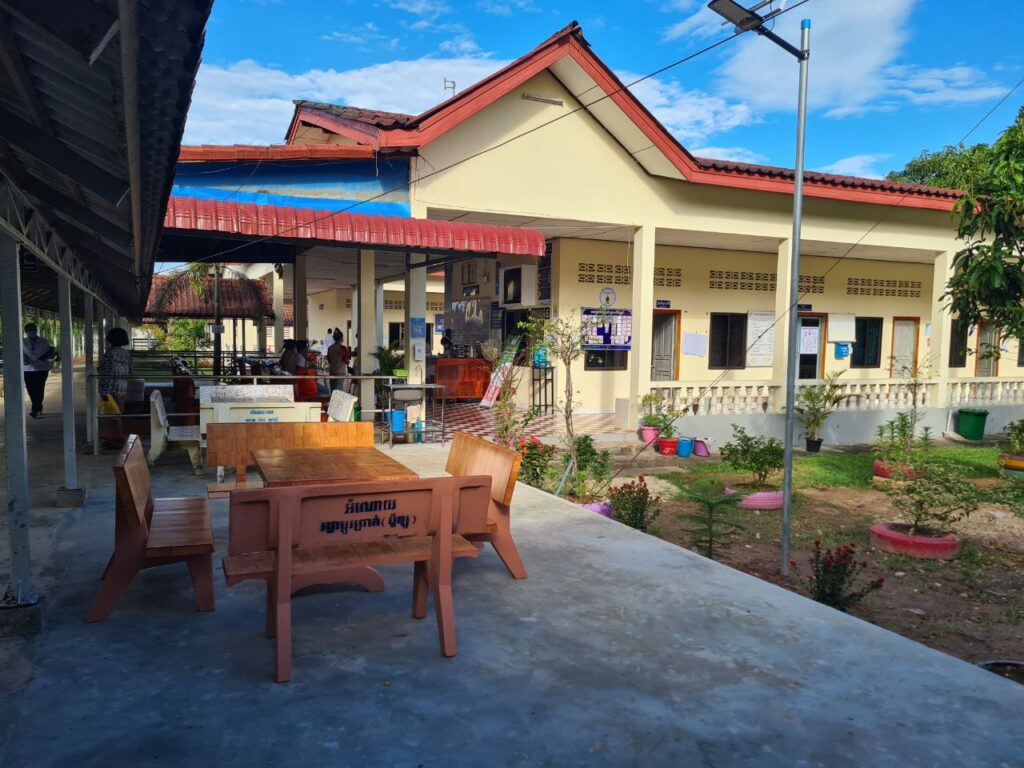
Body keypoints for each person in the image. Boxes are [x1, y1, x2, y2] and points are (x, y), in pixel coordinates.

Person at [98, 327, 133, 447]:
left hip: (110, 388)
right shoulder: (126, 353)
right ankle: (115, 438)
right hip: (122, 387)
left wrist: (105, 392)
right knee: (117, 413)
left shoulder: (109, 354)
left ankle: (116, 439)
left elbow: (107, 372)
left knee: (111, 414)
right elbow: (131, 371)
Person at [22, 323, 55, 418]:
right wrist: (23, 358)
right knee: (30, 389)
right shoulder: (23, 342)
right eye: (28, 331)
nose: (30, 332)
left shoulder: (43, 341)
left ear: (36, 331)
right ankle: (38, 407)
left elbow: (49, 354)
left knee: (39, 388)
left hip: (41, 369)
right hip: (27, 369)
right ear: (25, 332)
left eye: (31, 330)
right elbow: (20, 353)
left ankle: (35, 409)